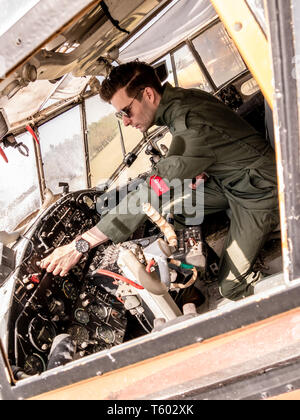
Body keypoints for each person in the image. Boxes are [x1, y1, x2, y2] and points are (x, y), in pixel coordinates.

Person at [40, 61, 279, 301]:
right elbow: (186, 155)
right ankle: (194, 270)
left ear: (148, 94)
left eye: (126, 111)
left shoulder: (190, 124)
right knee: (177, 207)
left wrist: (79, 245)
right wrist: (198, 170)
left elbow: (151, 192)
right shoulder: (181, 103)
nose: (125, 120)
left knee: (231, 287)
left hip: (257, 189)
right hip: (234, 177)